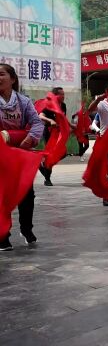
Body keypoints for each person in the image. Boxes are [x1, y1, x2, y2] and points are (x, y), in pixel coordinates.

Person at [0, 63, 44, 251]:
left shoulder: (23, 101)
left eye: (1, 74)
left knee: (27, 194)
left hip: (20, 154)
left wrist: (30, 138)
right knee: (2, 195)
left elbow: (36, 123)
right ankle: (3, 234)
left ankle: (27, 229)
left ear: (13, 79)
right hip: (1, 155)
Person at [37, 87, 67, 186]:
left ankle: (42, 167)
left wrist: (71, 126)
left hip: (59, 133)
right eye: (61, 94)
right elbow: (40, 116)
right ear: (55, 96)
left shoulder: (63, 105)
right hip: (49, 133)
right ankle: (47, 179)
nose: (63, 96)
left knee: (63, 153)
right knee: (50, 155)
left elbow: (63, 118)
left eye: (64, 94)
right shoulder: (50, 106)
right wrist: (50, 120)